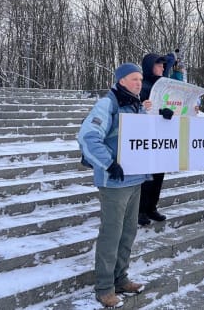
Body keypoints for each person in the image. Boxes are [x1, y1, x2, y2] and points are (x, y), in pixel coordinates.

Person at [78, 63, 152, 308]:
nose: (139, 83)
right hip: (114, 182)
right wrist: (109, 164)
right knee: (111, 235)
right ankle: (104, 287)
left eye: (140, 79)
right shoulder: (108, 104)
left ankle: (121, 278)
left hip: (135, 179)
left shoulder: (137, 106)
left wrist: (162, 119)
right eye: (134, 79)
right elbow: (88, 136)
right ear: (121, 81)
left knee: (128, 232)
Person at [138, 52, 176, 225]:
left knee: (159, 174)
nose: (163, 67)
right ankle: (140, 210)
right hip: (145, 136)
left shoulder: (163, 85)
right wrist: (159, 112)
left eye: (163, 65)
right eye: (158, 65)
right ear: (150, 66)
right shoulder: (142, 85)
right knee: (146, 176)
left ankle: (152, 207)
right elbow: (139, 109)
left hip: (162, 135)